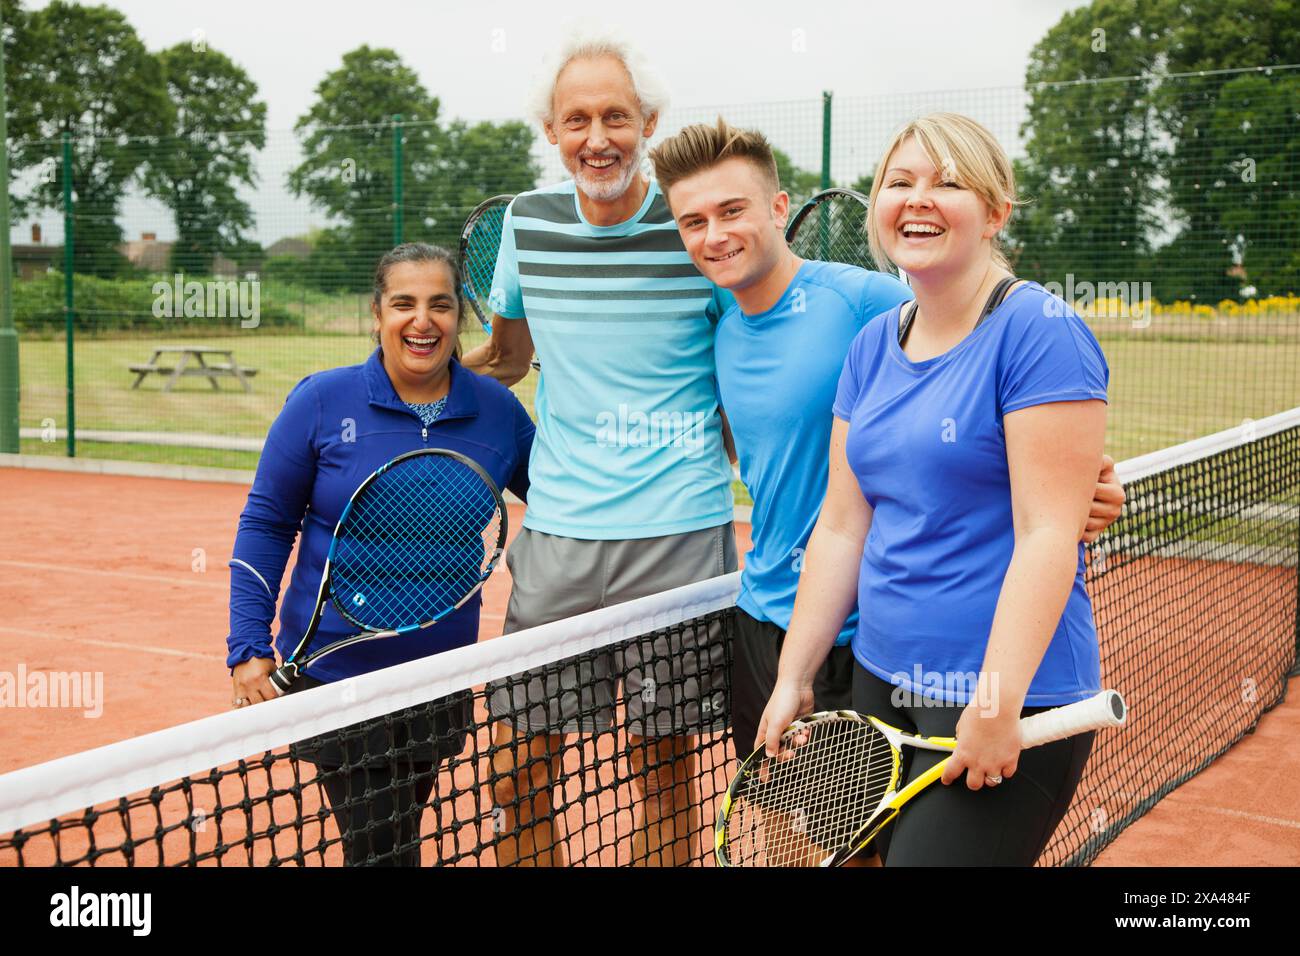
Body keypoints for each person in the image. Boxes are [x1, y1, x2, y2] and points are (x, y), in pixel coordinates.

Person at [652, 116, 1122, 865]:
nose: (917, 200)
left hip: (1005, 695)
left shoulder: (1040, 329)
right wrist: (795, 677)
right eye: (899, 183)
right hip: (880, 684)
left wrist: (993, 707)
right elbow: (842, 525)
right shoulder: (874, 346)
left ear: (996, 211)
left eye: (947, 182)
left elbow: (1046, 534)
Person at [462, 31, 738, 866]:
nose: (597, 137)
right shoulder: (525, 224)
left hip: (680, 541)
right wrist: (399, 392)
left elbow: (746, 369)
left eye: (615, 115)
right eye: (576, 119)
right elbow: (507, 358)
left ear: (648, 121)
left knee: (660, 766)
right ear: (551, 131)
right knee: (518, 767)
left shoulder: (697, 227)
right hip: (558, 541)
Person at [226, 243, 533, 866]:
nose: (422, 321)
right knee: (379, 846)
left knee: (397, 835)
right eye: (404, 304)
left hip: (437, 677)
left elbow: (565, 498)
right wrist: (247, 646)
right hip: (336, 675)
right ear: (377, 313)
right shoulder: (320, 402)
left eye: (440, 305)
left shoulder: (497, 413)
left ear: (458, 318)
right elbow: (266, 524)